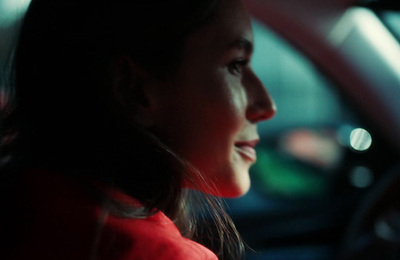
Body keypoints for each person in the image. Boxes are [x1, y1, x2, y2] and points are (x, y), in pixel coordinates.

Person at [0, 0, 276, 259]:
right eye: (236, 64)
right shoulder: (155, 253)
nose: (267, 105)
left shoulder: (24, 207)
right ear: (131, 89)